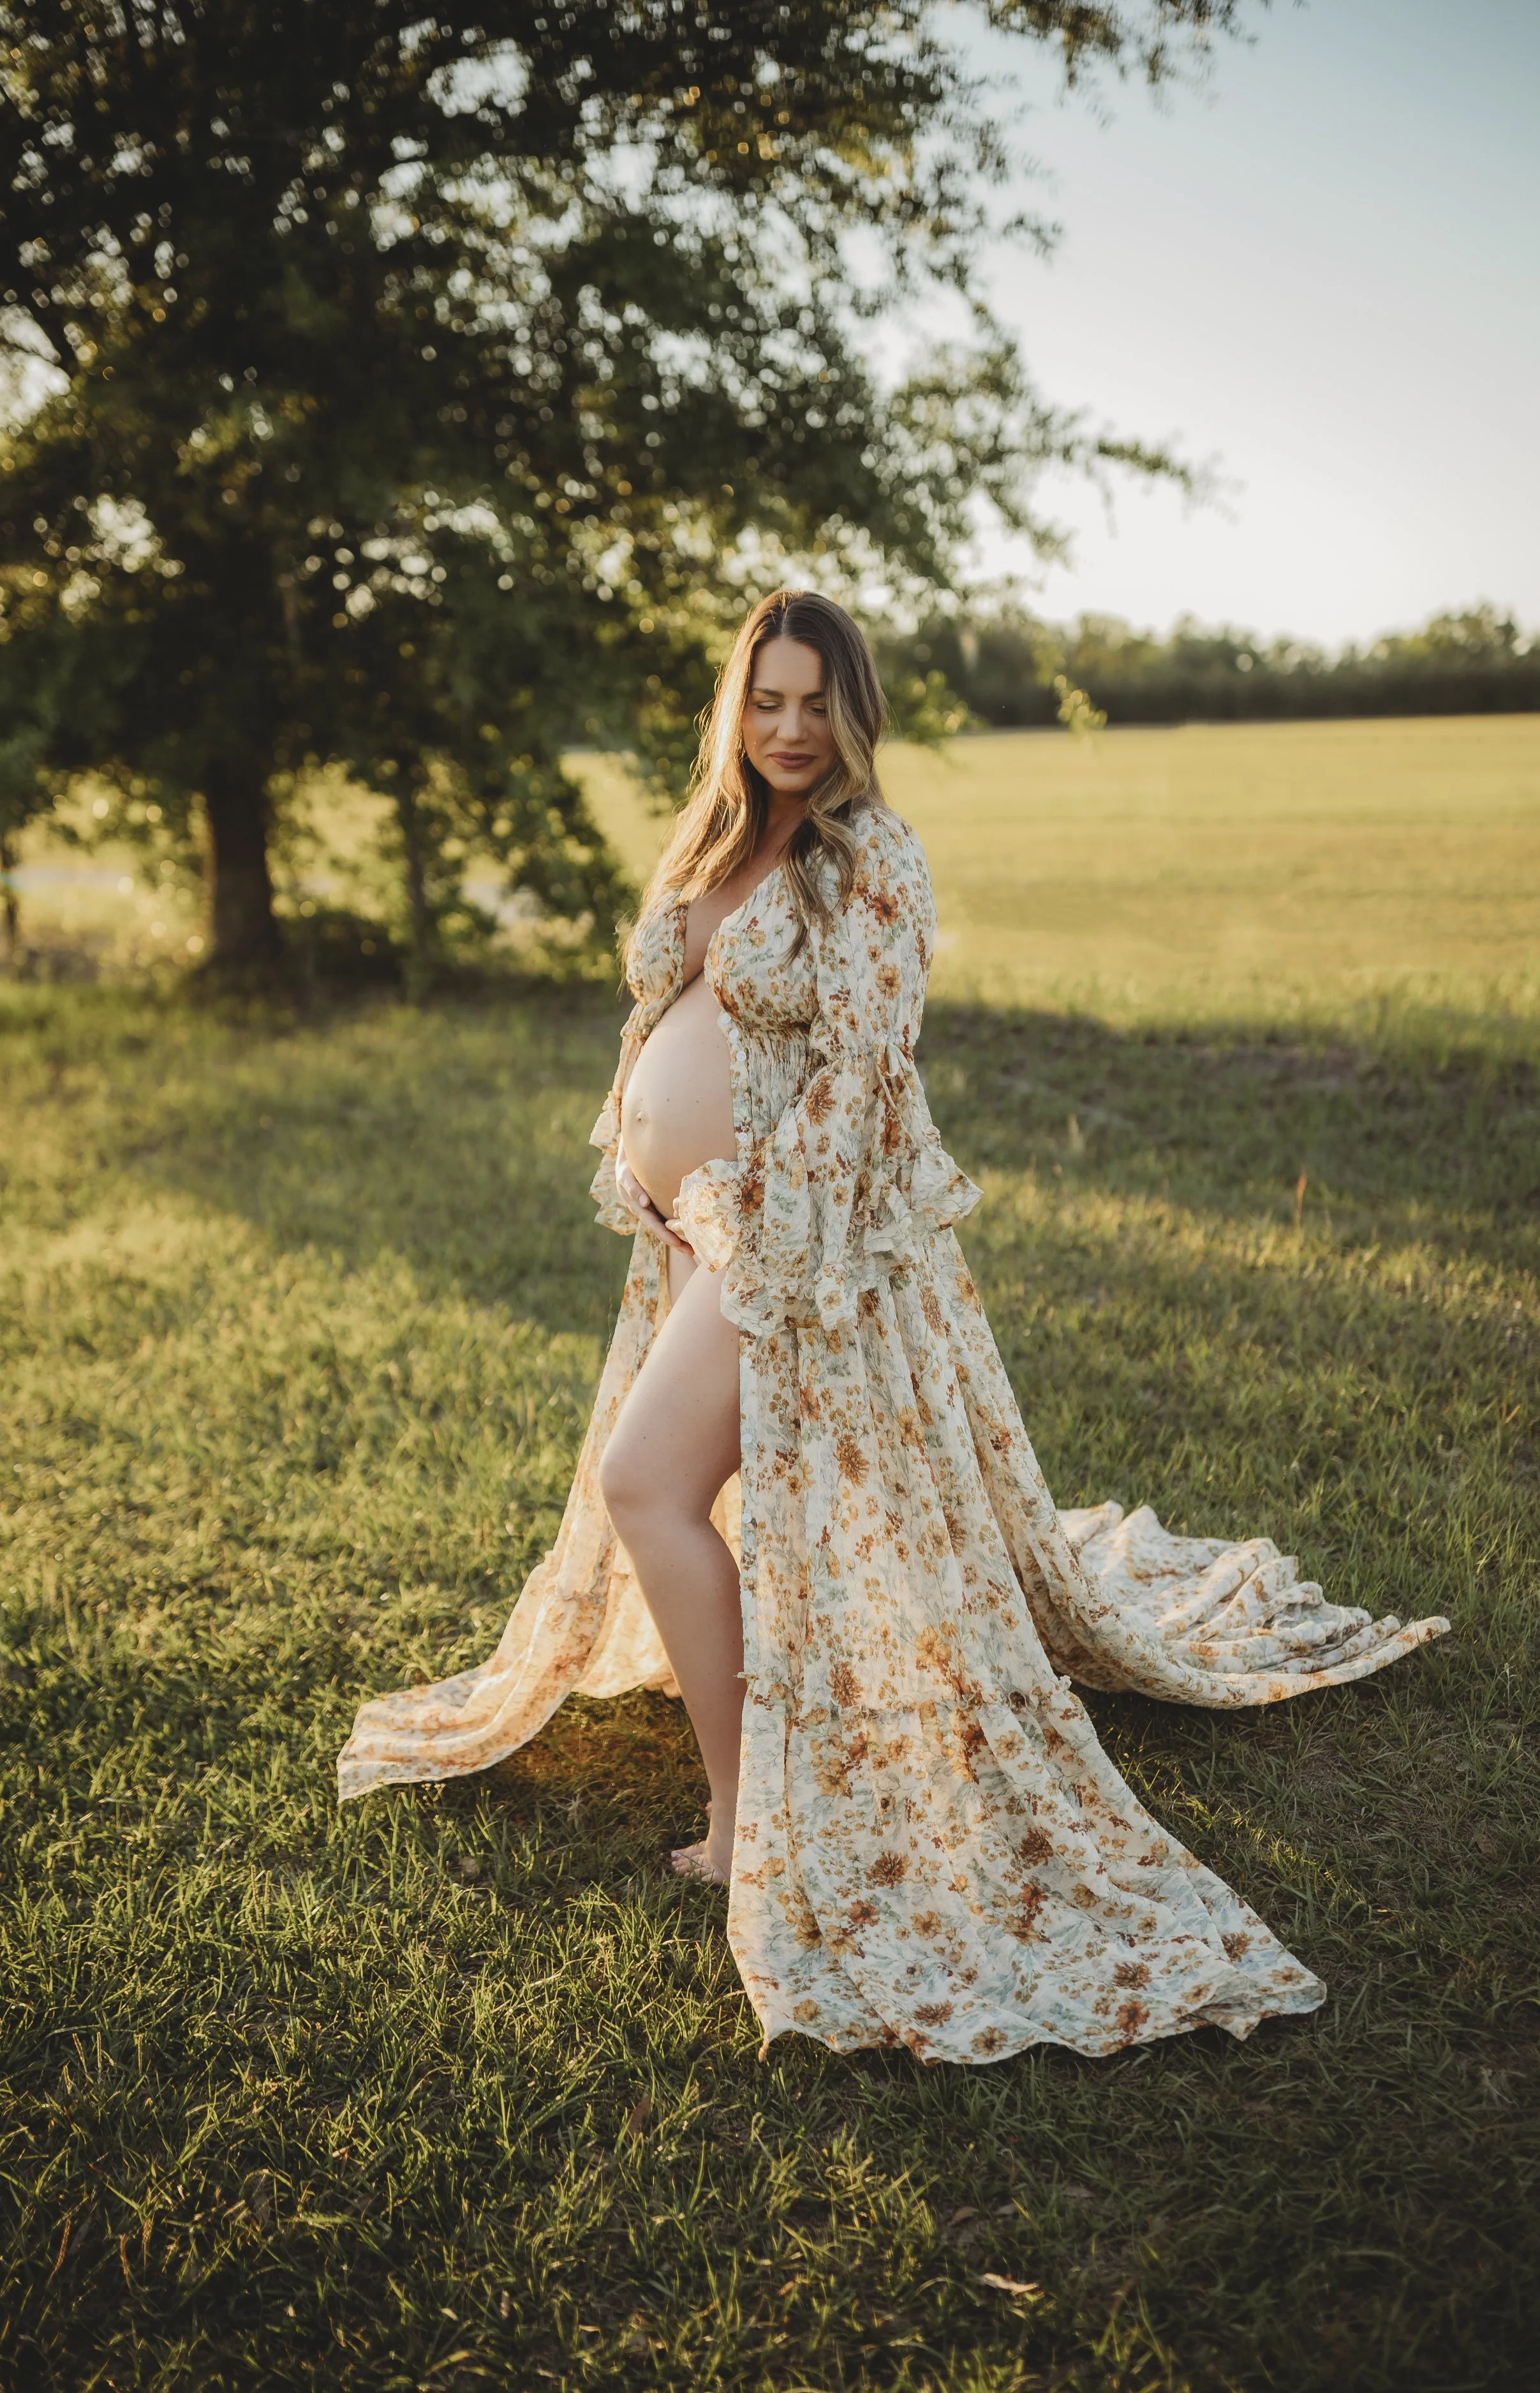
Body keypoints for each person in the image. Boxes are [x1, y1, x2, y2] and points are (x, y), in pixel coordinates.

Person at [338, 590, 1448, 2066]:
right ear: (735, 707)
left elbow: (861, 1082)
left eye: (815, 704)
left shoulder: (873, 858)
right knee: (724, 1503)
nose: (789, 730)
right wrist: (642, 1172)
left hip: (804, 1246)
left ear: (852, 712)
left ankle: (748, 1819)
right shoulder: (717, 840)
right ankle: (759, 1767)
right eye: (766, 701)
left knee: (642, 1488)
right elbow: (660, 1021)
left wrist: (747, 1233)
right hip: (700, 1236)